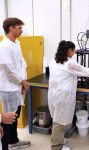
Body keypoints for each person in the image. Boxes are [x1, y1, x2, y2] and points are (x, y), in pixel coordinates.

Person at [48, 40, 89, 150]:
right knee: (60, 122)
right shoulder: (70, 63)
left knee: (56, 120)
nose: (74, 53)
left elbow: (67, 73)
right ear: (69, 50)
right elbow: (84, 71)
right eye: (73, 51)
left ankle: (58, 140)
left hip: (54, 94)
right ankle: (56, 146)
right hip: (63, 96)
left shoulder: (54, 60)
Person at [0, 18, 30, 150]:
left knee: (15, 116)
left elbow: (21, 64)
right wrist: (22, 81)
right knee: (7, 120)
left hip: (17, 86)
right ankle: (5, 146)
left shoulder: (16, 44)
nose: (21, 30)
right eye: (19, 27)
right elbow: (9, 70)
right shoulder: (4, 46)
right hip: (8, 88)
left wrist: (23, 82)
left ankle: (14, 141)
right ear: (11, 28)